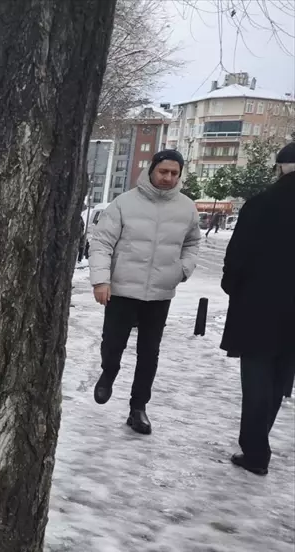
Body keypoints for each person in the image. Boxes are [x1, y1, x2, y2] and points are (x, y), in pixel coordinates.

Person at [88, 148, 201, 435]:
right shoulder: (124, 203)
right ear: (151, 170)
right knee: (113, 343)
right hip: (122, 289)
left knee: (149, 353)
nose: (168, 177)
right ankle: (109, 371)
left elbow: (192, 243)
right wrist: (101, 280)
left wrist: (182, 270)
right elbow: (102, 243)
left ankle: (138, 408)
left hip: (160, 293)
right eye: (163, 171)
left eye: (174, 173)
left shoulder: (187, 207)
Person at [219, 141, 295, 476]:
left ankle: (255, 451)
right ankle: (259, 440)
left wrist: (237, 291)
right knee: (280, 379)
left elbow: (235, 260)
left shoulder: (260, 205)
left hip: (258, 308)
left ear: (282, 167)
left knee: (257, 379)